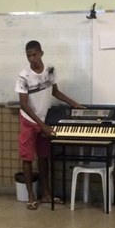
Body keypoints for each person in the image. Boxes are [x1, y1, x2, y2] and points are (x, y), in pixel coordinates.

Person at [16, 40, 83, 210]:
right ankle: (31, 196)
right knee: (28, 158)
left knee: (44, 157)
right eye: (29, 55)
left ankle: (46, 193)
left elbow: (55, 91)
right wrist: (41, 125)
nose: (32, 58)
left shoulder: (50, 70)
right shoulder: (24, 76)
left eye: (35, 54)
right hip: (29, 121)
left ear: (41, 53)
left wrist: (73, 103)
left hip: (44, 120)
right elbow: (24, 104)